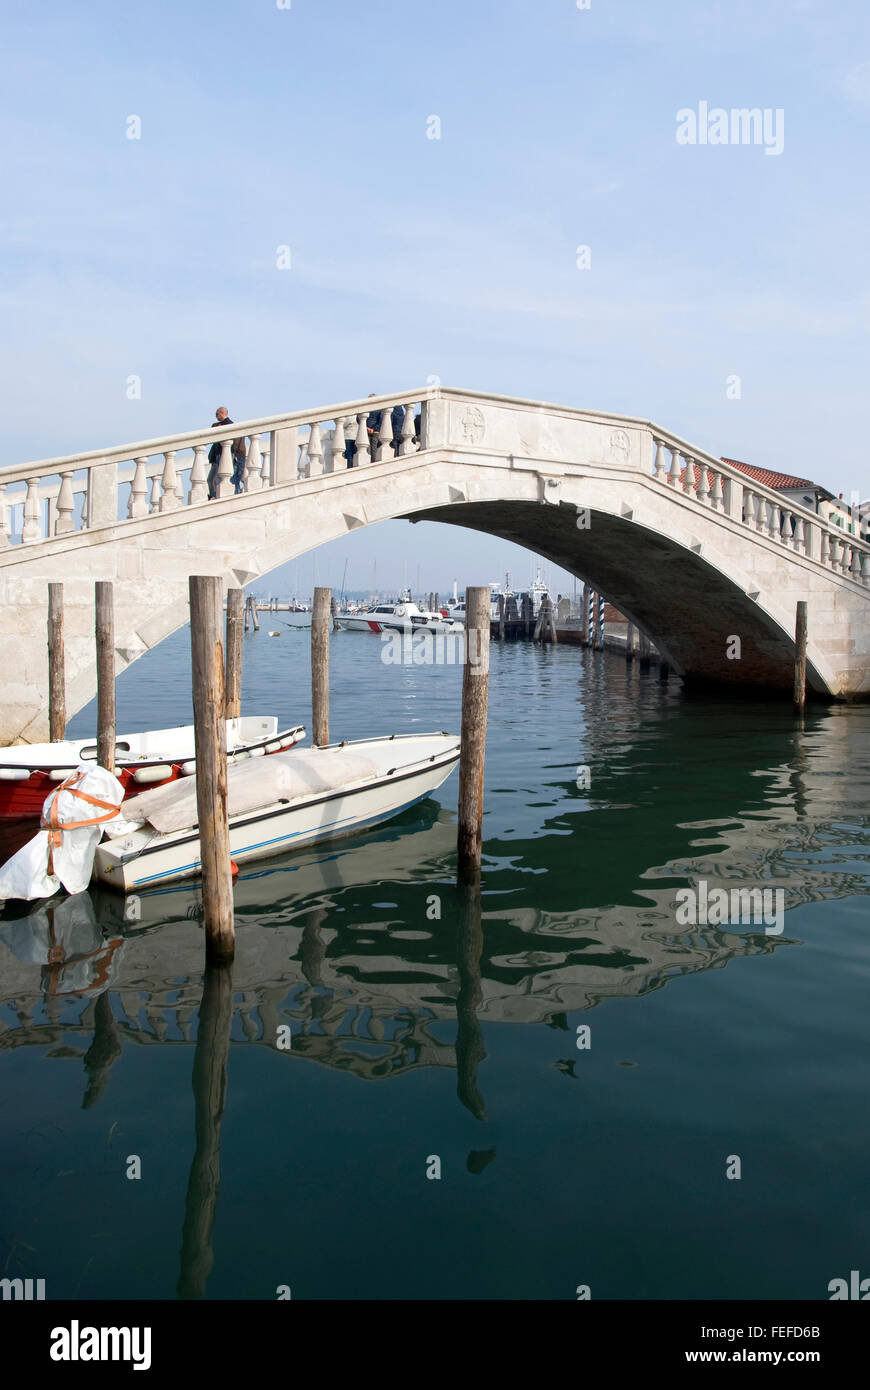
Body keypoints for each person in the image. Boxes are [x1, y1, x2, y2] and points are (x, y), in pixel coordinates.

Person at [207, 407, 247, 497]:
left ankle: (219, 496)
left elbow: (235, 444)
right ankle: (214, 495)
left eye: (216, 414)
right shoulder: (219, 425)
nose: (216, 416)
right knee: (216, 479)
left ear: (221, 413)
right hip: (220, 455)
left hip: (225, 454)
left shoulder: (229, 425)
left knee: (230, 478)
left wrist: (235, 455)